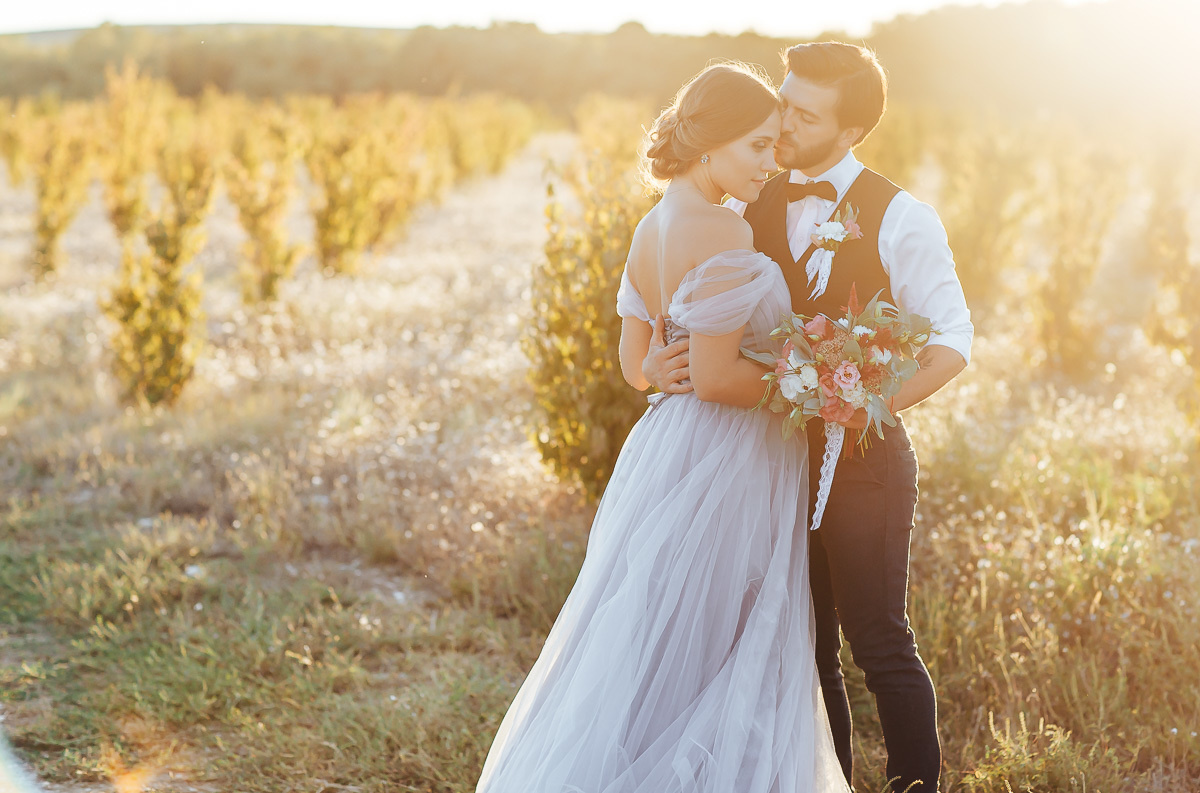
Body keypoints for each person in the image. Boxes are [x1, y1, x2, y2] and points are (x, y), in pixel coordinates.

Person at [476, 62, 849, 793]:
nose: (770, 163)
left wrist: (669, 366)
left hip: (667, 450)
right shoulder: (721, 228)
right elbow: (715, 377)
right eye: (756, 147)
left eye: (775, 146)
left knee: (657, 625)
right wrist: (813, 384)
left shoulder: (653, 224)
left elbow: (635, 365)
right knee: (724, 631)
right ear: (708, 144)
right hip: (727, 454)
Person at [643, 42, 974, 792]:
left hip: (864, 463)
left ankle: (916, 783)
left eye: (801, 112)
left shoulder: (901, 216)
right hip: (766, 462)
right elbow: (678, 298)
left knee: (879, 639)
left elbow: (954, 339)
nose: (780, 120)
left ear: (851, 130)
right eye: (781, 101)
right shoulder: (743, 199)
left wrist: (870, 403)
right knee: (806, 644)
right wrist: (652, 364)